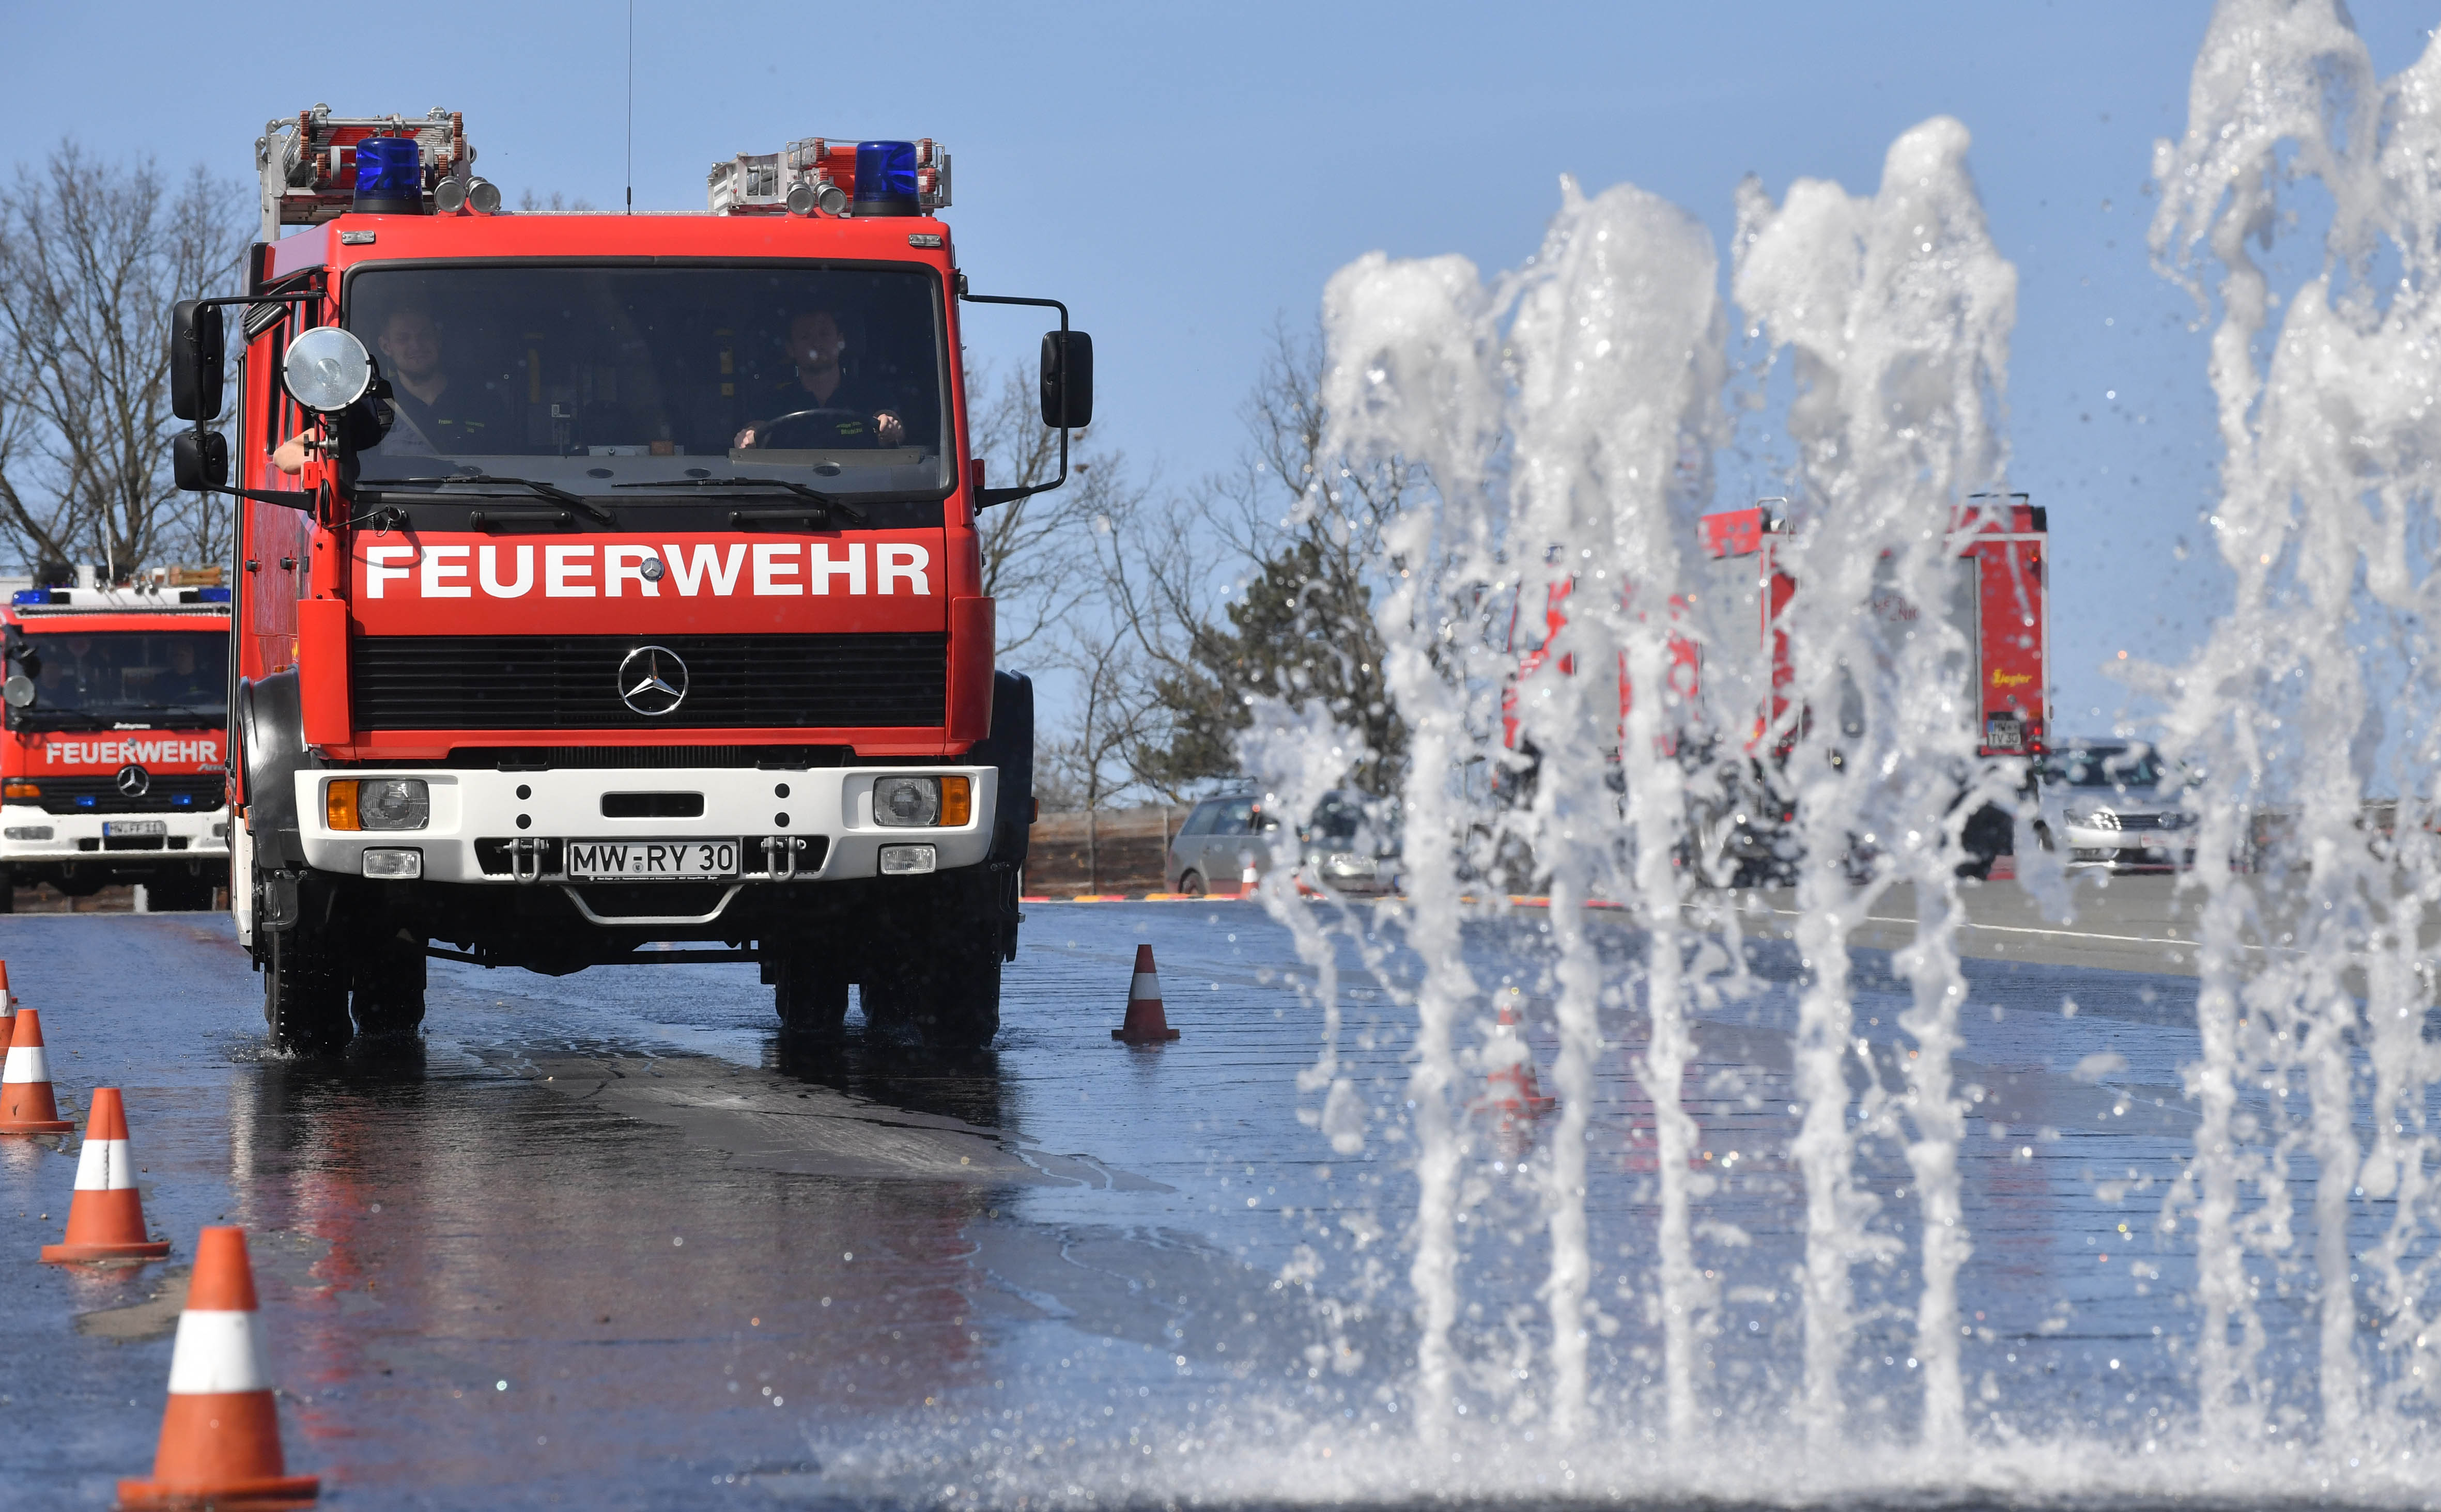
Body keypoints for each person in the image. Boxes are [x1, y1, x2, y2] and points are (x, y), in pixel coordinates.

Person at [273, 307, 508, 472]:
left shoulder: (483, 402)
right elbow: (285, 454)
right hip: (395, 520)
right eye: (403, 339)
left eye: (424, 335)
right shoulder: (369, 408)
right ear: (386, 346)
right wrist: (313, 465)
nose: (416, 345)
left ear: (438, 339)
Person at [732, 309, 906, 450]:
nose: (816, 343)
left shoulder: (873, 395)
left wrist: (889, 425)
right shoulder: (772, 401)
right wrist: (750, 437)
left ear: (840, 342)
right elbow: (756, 430)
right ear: (791, 349)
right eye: (805, 337)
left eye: (824, 334)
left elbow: (890, 422)